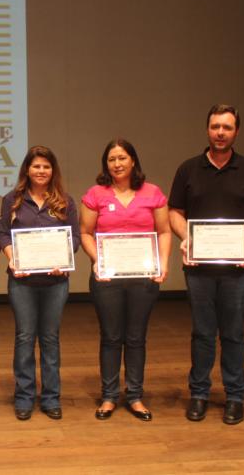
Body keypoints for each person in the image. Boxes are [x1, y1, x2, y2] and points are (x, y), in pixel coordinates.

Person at [168, 104, 244, 425]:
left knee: (233, 334)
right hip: (199, 269)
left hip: (238, 271)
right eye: (215, 126)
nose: (220, 133)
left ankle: (235, 397)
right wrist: (186, 237)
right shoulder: (188, 169)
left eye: (227, 127)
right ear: (207, 129)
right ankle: (199, 394)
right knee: (201, 333)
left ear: (236, 131)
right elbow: (175, 212)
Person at [80, 138, 171, 422]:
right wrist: (99, 260)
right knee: (110, 337)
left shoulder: (153, 193)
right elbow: (85, 233)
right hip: (107, 278)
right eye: (111, 159)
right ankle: (109, 396)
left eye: (122, 158)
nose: (117, 164)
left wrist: (163, 263)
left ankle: (134, 396)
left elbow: (165, 231)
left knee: (135, 338)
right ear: (105, 164)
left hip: (143, 278)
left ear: (133, 160)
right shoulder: (96, 194)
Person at [0, 146, 80, 421]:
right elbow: (3, 233)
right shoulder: (13, 199)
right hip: (22, 282)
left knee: (50, 339)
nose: (41, 171)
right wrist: (12, 258)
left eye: (46, 166)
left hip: (55, 282)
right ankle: (23, 397)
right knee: (24, 337)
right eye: (36, 166)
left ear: (53, 170)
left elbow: (75, 239)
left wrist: (64, 259)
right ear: (27, 170)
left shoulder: (65, 202)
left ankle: (51, 397)